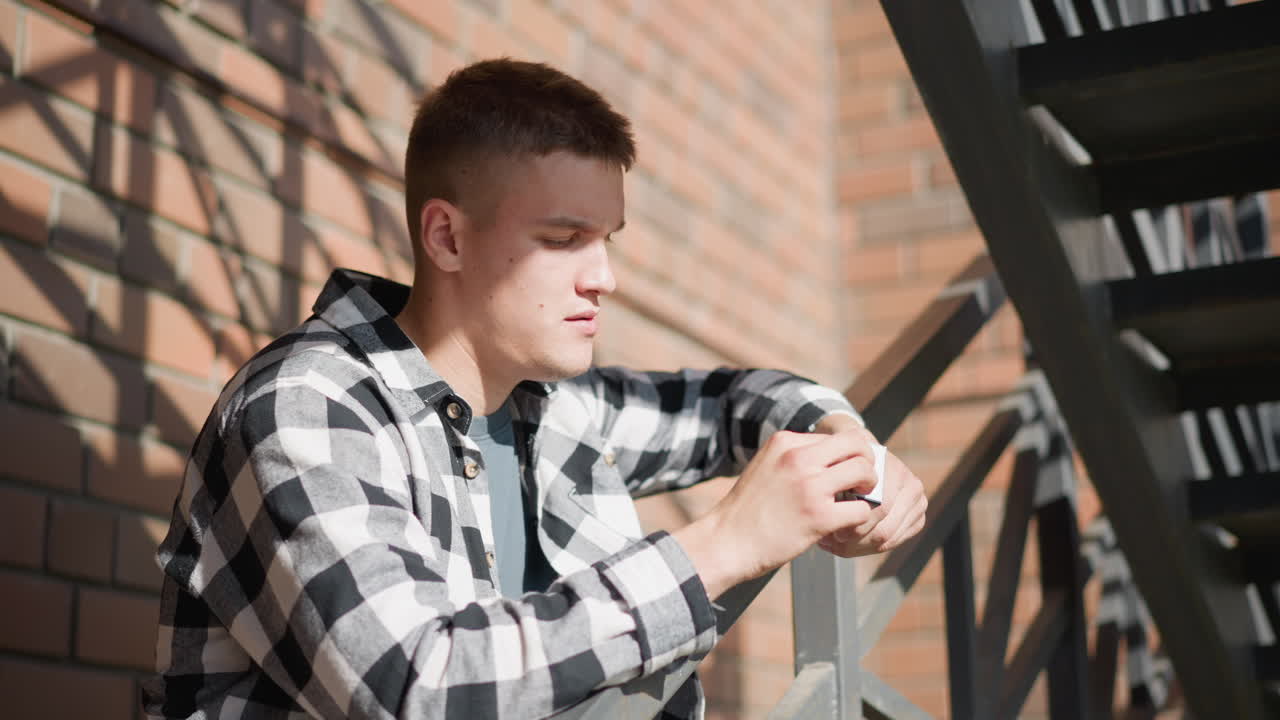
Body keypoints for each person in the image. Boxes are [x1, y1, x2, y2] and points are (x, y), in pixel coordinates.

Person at [142, 59, 927, 720]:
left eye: (607, 241)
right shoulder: (307, 406)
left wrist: (847, 447)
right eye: (562, 240)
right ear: (446, 236)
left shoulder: (552, 407)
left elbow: (727, 405)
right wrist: (719, 547)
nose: (605, 278)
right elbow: (418, 687)